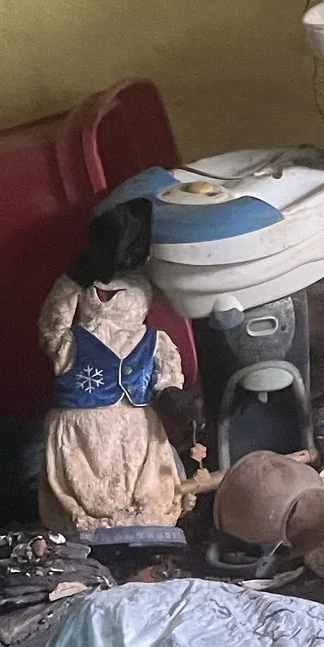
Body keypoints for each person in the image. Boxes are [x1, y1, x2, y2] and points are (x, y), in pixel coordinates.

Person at [37, 197, 196, 530]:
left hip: (137, 429)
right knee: (83, 487)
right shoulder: (72, 341)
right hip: (81, 435)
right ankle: (93, 524)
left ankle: (143, 523)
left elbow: (168, 373)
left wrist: (172, 394)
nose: (108, 294)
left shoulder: (155, 341)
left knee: (149, 484)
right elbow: (52, 324)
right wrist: (72, 280)